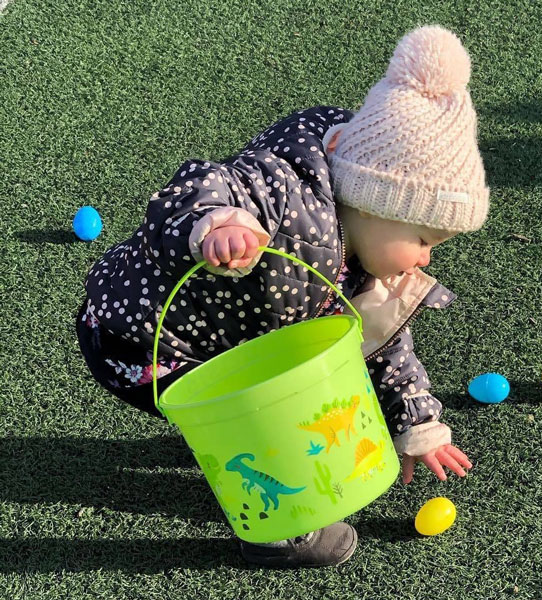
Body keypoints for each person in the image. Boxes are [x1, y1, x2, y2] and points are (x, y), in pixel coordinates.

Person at [75, 24, 490, 568]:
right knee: (260, 422)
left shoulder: (363, 262)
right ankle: (275, 531)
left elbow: (385, 345)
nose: (426, 258)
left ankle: (230, 442)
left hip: (215, 340)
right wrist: (217, 225)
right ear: (371, 200)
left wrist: (418, 421)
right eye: (422, 239)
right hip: (140, 341)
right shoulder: (286, 200)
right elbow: (204, 182)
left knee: (290, 395)